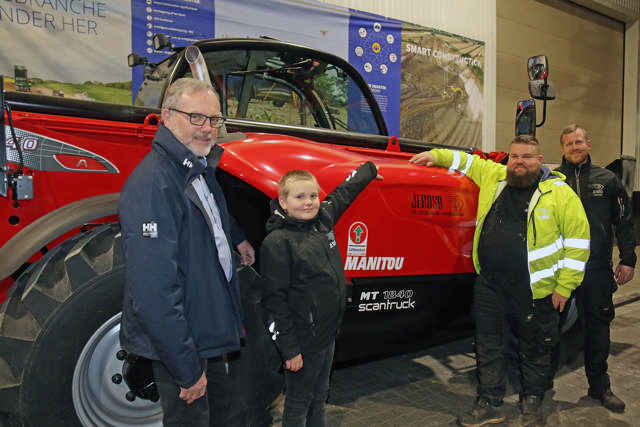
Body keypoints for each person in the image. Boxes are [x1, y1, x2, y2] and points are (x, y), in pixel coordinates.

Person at [410, 135, 590, 427]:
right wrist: (436, 156)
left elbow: (578, 244)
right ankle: (490, 402)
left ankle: (532, 402)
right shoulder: (495, 176)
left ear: (540, 160)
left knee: (535, 349)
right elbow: (467, 161)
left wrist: (565, 287)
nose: (519, 162)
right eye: (514, 156)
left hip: (536, 290)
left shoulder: (560, 194)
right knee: (488, 345)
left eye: (527, 157)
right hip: (491, 286)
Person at [118, 77, 255, 426]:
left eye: (214, 119)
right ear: (167, 116)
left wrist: (237, 238)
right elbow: (153, 293)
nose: (207, 128)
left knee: (220, 413)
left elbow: (211, 212)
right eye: (195, 117)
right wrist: (187, 370)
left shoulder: (195, 165)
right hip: (182, 342)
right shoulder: (154, 185)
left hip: (203, 326)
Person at [260, 162, 381, 426]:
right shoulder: (277, 242)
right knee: (299, 402)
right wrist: (290, 350)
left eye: (313, 196)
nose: (308, 202)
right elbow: (274, 302)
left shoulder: (322, 221)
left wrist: (369, 170)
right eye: (299, 197)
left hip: (327, 334)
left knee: (319, 396)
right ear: (283, 202)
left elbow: (344, 193)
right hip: (304, 340)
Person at [555, 124, 636, 413]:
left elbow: (623, 221)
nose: (574, 147)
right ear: (561, 149)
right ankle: (539, 389)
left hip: (596, 268)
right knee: (548, 328)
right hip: (559, 269)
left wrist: (628, 259)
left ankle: (600, 386)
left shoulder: (608, 180)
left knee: (598, 327)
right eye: (569, 144)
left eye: (579, 142)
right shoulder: (552, 181)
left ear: (588, 144)